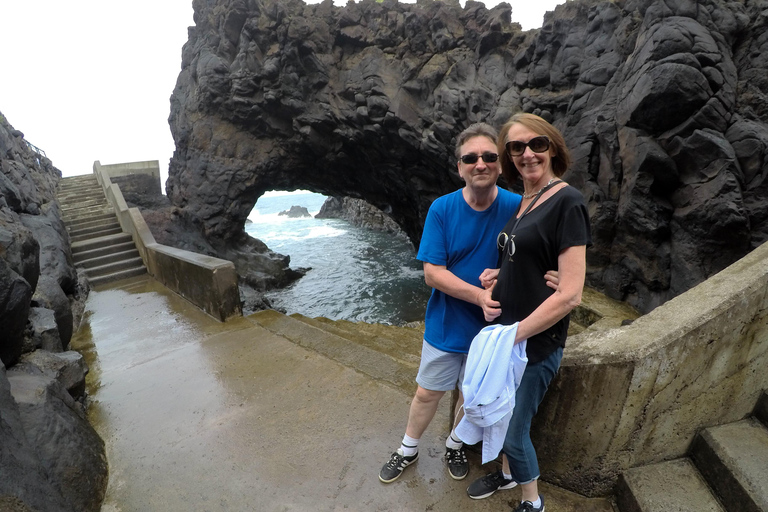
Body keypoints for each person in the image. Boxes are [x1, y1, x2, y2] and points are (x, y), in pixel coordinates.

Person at [378, 123, 557, 484]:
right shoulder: (442, 209)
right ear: (459, 167)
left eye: (490, 157)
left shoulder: (518, 206)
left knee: (471, 395)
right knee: (428, 391)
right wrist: (477, 295)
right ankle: (407, 449)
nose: (481, 164)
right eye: (470, 158)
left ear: (501, 164)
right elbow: (432, 273)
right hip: (447, 324)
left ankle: (455, 443)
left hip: (494, 332)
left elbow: (540, 253)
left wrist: (554, 276)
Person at [465, 113, 591, 512]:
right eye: (516, 148)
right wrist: (500, 274)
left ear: (553, 147)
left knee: (515, 431)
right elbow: (530, 256)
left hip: (534, 342)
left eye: (537, 144)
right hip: (509, 331)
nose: (527, 154)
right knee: (499, 417)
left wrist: (514, 334)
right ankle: (505, 475)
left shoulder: (567, 201)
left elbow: (571, 294)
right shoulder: (526, 200)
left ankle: (531, 501)